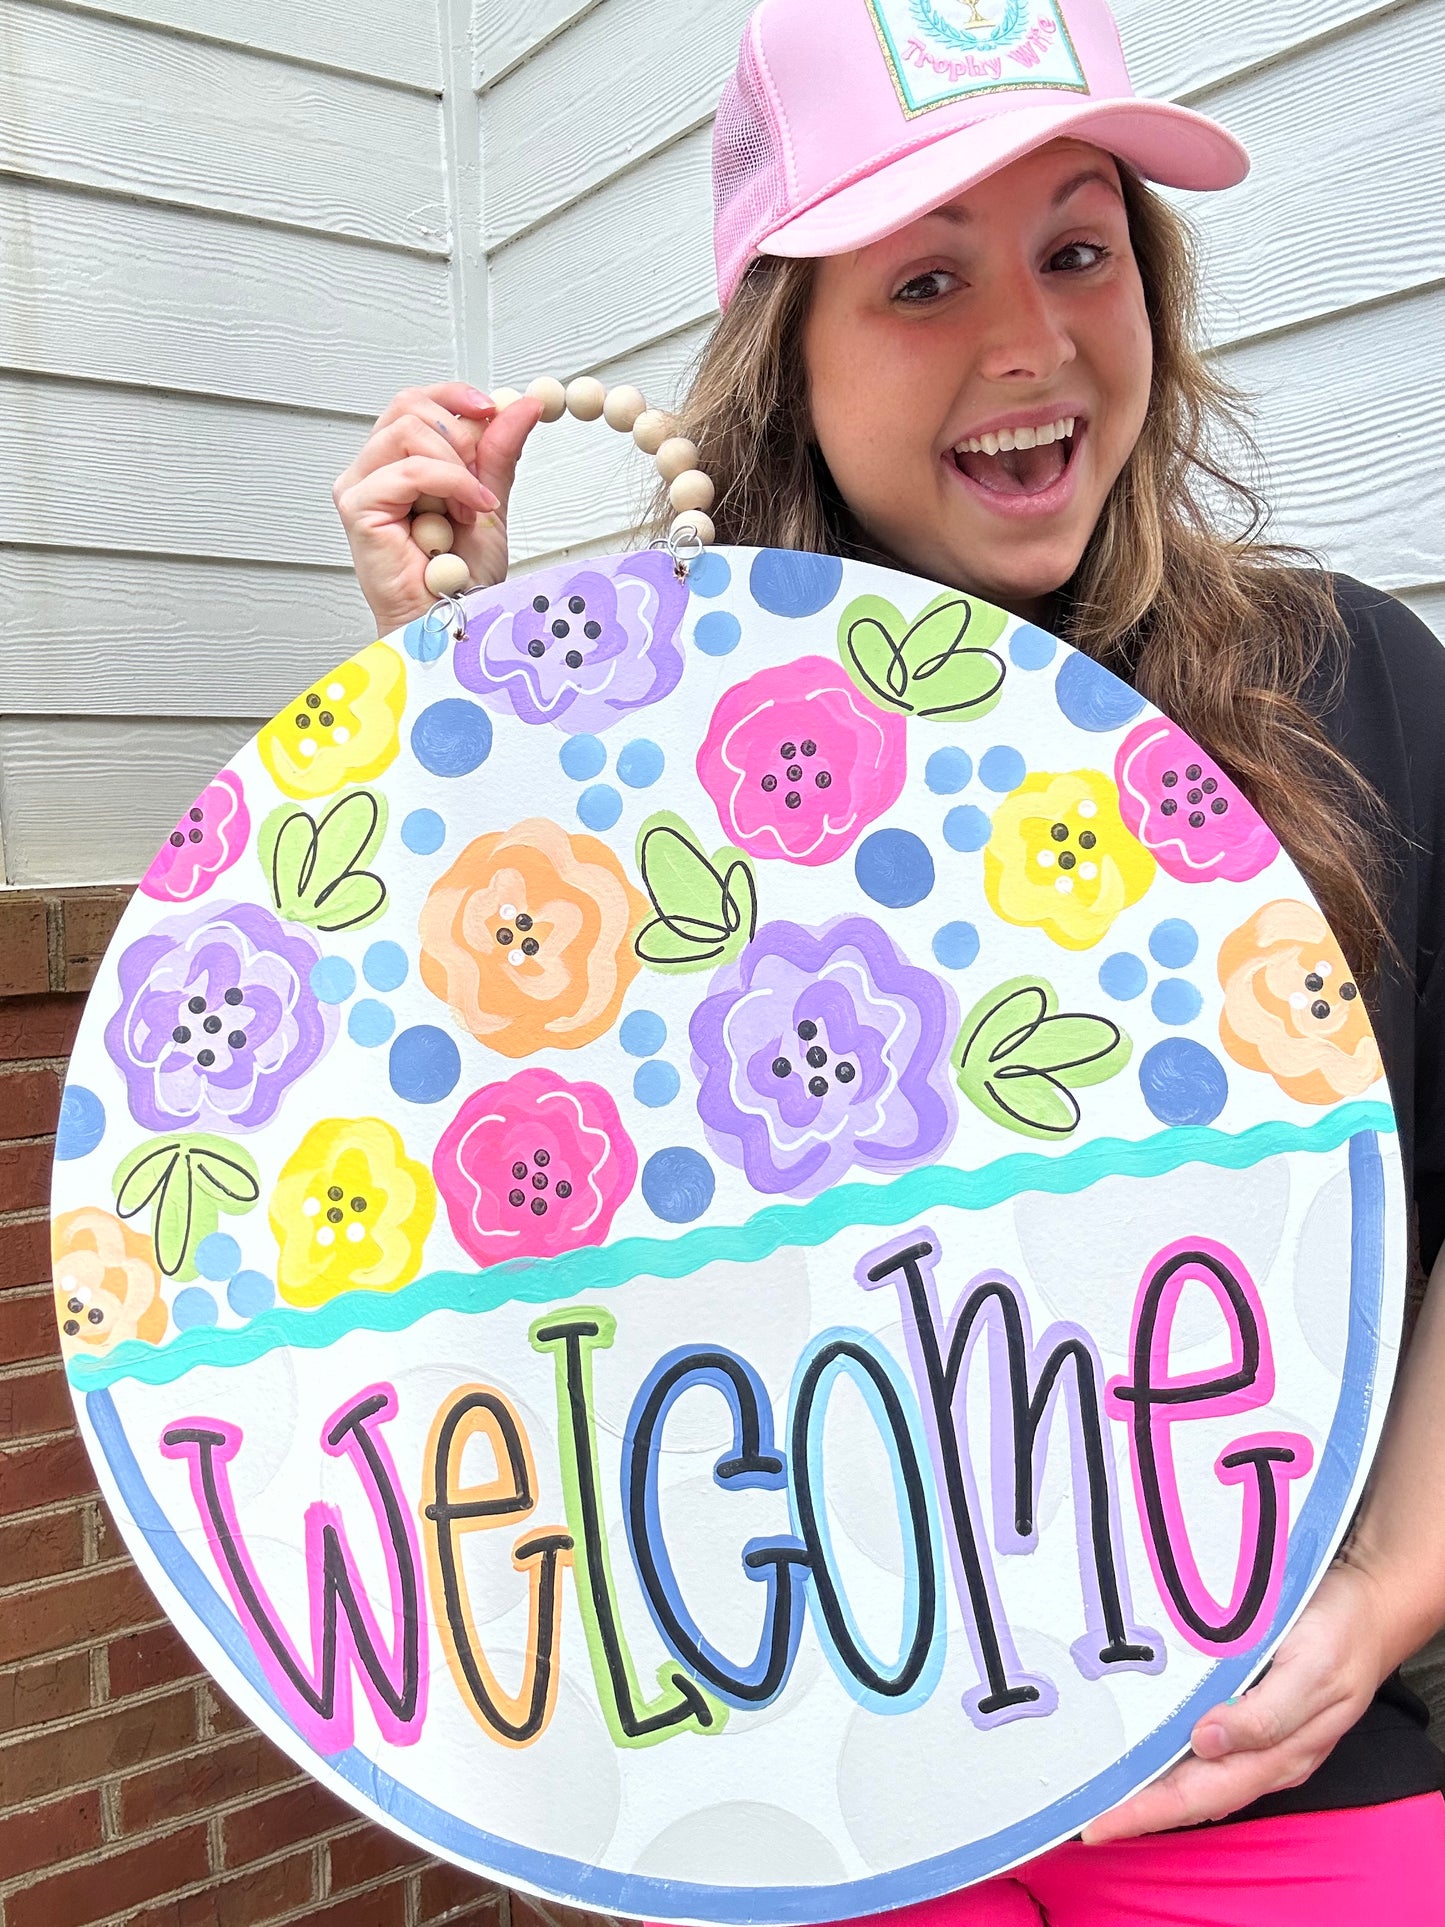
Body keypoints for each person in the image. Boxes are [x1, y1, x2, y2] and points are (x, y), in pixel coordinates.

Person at [333, 0, 1445, 1916]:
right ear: (792, 353)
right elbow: (477, 1289)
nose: (1030, 343)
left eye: (1078, 249)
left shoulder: (1351, 689)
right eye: (922, 277)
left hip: (1267, 1793)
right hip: (798, 1824)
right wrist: (458, 729)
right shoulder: (636, 779)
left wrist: (1381, 1597)